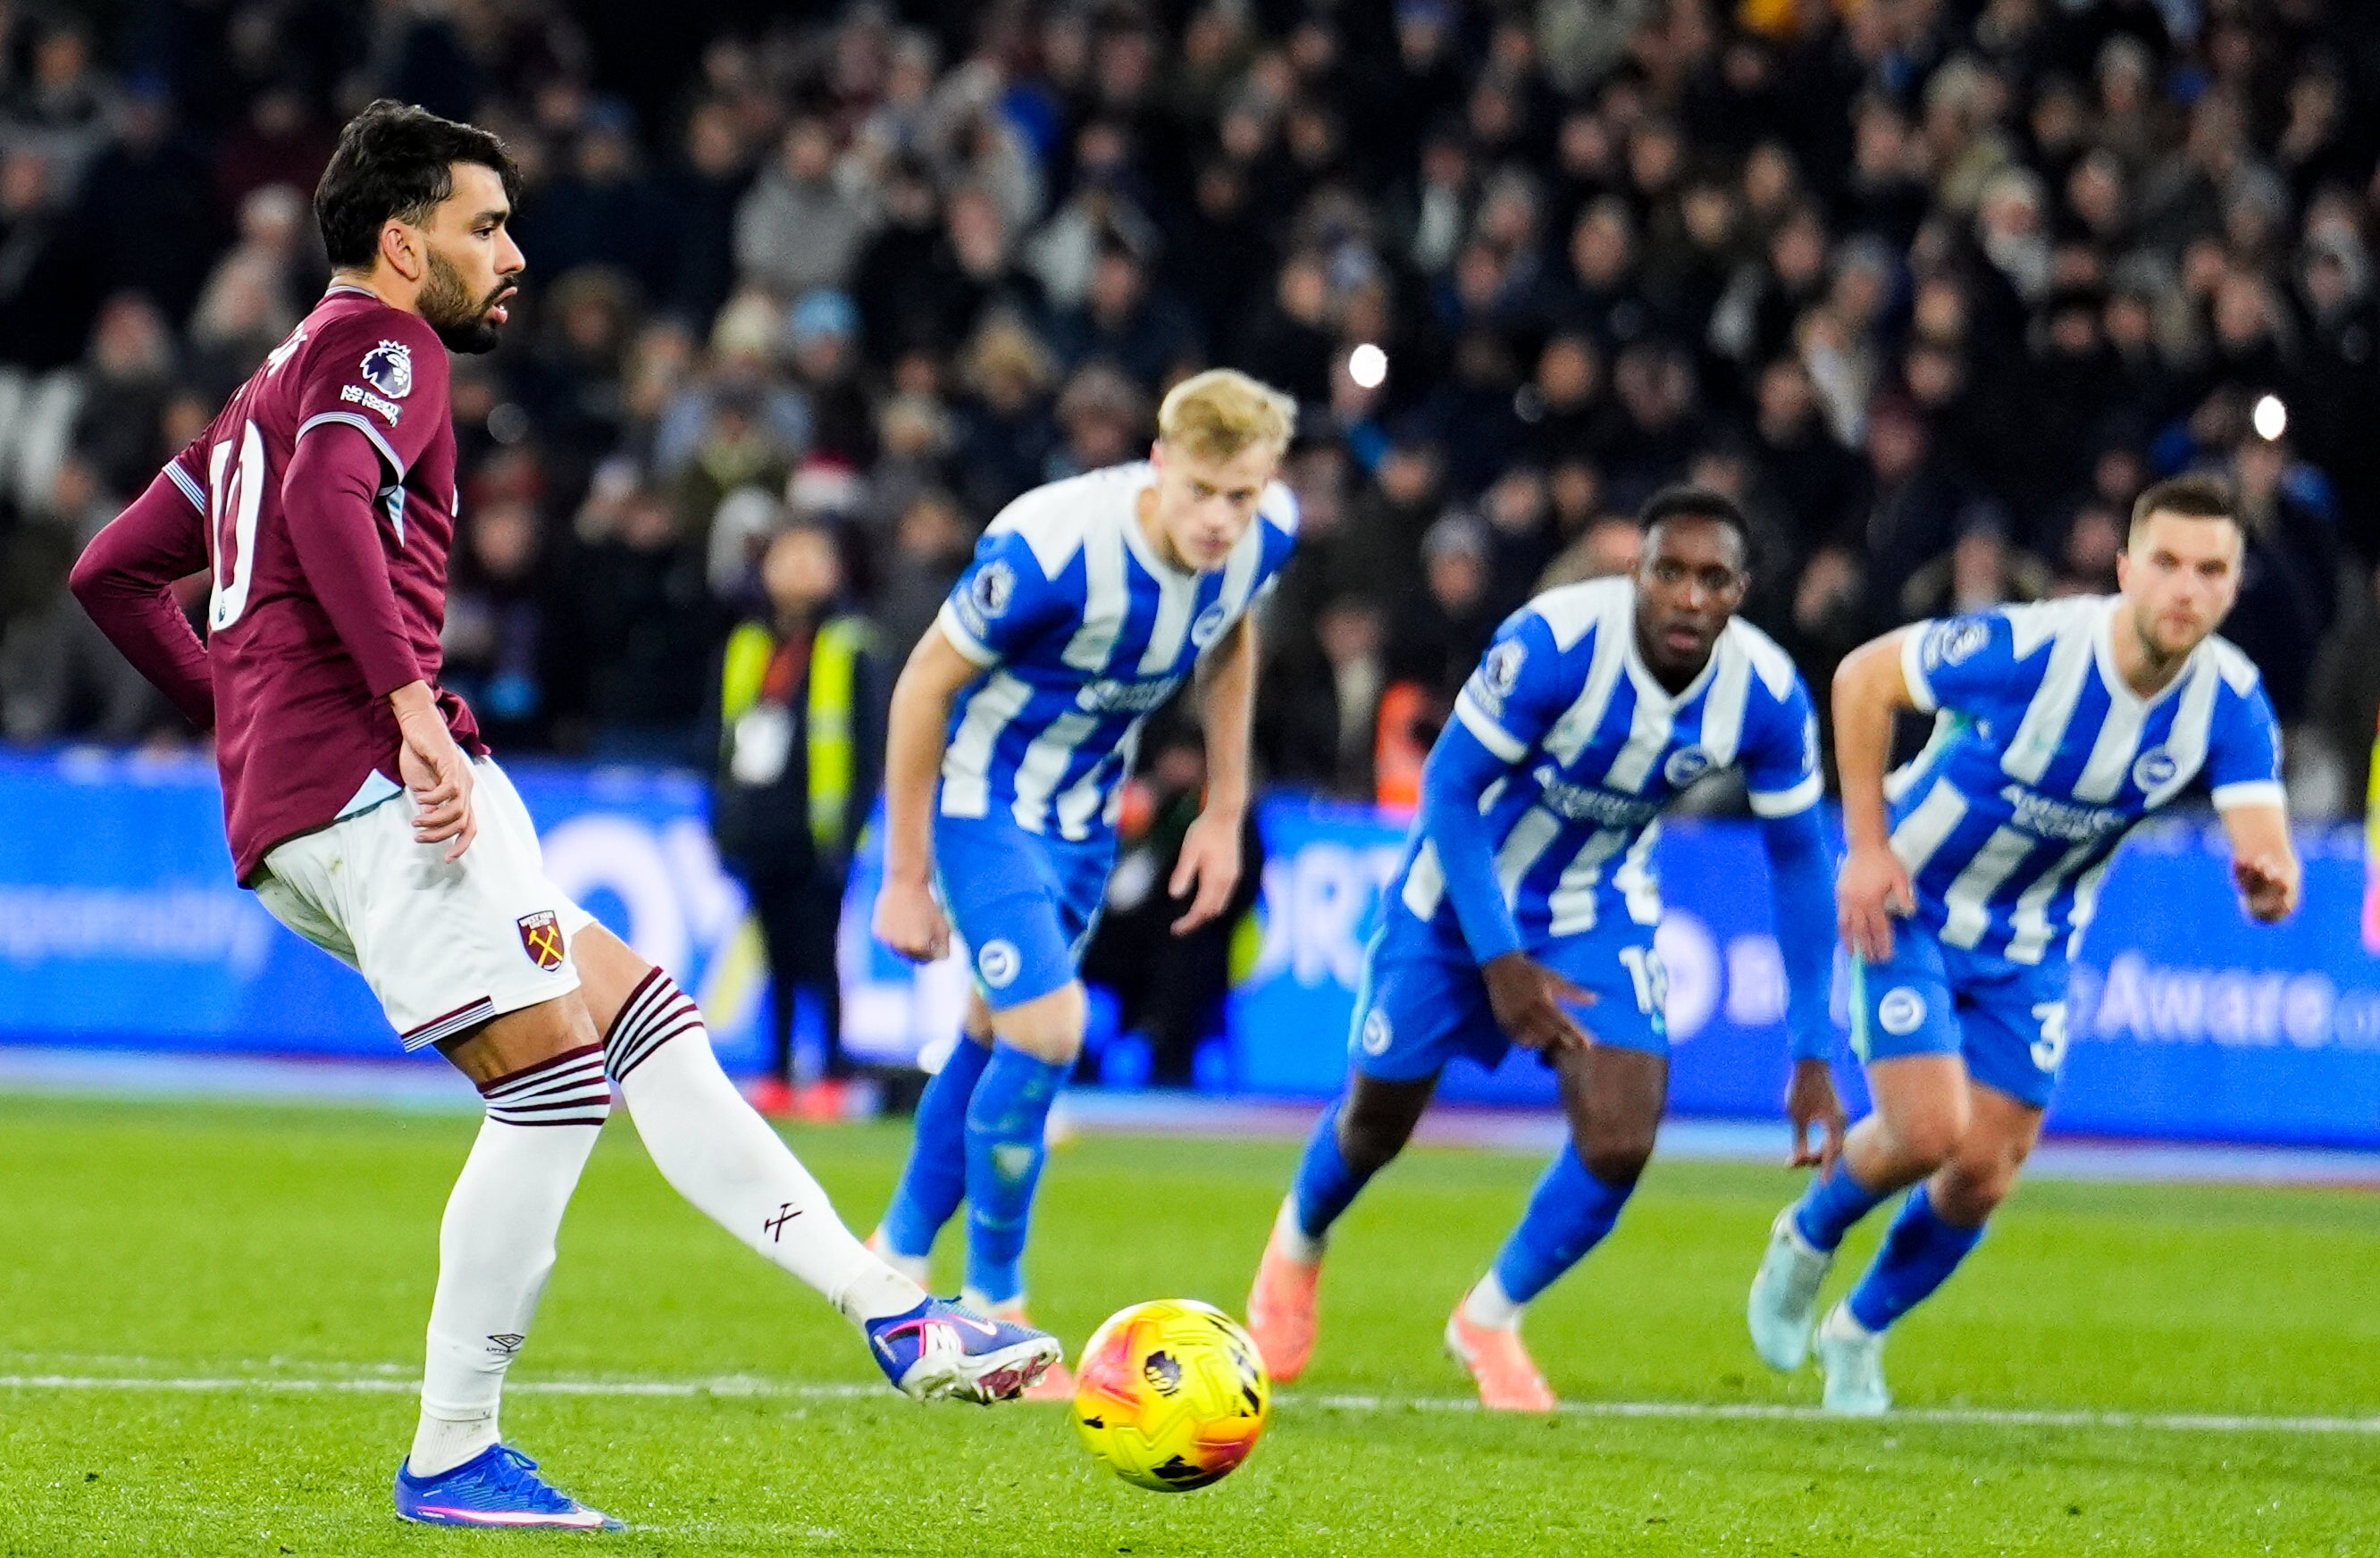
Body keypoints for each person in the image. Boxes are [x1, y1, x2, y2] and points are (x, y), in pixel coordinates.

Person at [68, 100, 1056, 1533]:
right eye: (484, 227)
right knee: (550, 1087)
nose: (512, 253)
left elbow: (112, 571)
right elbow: (343, 502)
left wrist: (243, 714)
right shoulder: (379, 349)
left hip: (320, 787)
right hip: (376, 781)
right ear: (403, 245)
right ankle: (455, 1453)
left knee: (636, 1012)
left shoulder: (259, 392)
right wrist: (401, 709)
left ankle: (894, 1312)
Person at [1244, 487, 1845, 1411]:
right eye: (1669, 572)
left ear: (1741, 591)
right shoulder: (1555, 644)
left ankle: (1488, 1317)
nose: (1688, 596)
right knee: (1376, 1123)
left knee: (1619, 1138)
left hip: (1594, 905)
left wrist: (1813, 1048)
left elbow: (1802, 864)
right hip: (1456, 896)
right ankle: (1296, 1247)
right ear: (1636, 574)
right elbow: (1448, 788)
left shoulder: (1765, 695)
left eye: (1712, 578)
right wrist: (1499, 962)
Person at [1745, 473, 2300, 1415]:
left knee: (1984, 1173)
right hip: (1912, 901)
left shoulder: (2230, 702)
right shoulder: (2036, 646)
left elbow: (2266, 845)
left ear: (2233, 587)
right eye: (2166, 562)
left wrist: (2270, 885)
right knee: (1927, 1129)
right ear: (2125, 569)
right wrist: (1867, 849)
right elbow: (1862, 678)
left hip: (2035, 941)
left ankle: (1859, 1331)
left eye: (2210, 570)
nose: (2184, 588)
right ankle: (1805, 1239)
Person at [865, 368, 1300, 1395]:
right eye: (1201, 490)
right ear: (1159, 463)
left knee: (991, 1032)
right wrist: (904, 872)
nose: (1219, 518)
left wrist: (1227, 811)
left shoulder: (1264, 537)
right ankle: (995, 1311)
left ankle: (892, 1256)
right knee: (1050, 1031)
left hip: (1086, 821)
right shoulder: (1052, 545)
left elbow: (1230, 643)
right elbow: (925, 680)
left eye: (1240, 496)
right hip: (984, 803)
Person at [712, 520, 882, 1094]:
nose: (799, 570)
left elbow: (867, 746)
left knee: (822, 952)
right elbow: (719, 742)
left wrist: (850, 829)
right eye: (787, 557)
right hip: (759, 827)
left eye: (813, 558)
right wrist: (724, 825)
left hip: (820, 831)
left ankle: (832, 1068)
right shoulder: (746, 645)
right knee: (774, 955)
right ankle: (780, 1069)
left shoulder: (850, 645)